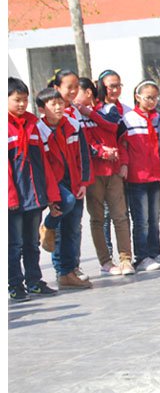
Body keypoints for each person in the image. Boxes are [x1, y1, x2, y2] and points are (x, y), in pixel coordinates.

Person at [9, 78, 62, 301]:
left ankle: (34, 281)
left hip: (34, 196)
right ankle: (14, 284)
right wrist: (10, 198)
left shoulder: (32, 124)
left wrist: (50, 196)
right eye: (16, 100)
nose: (22, 104)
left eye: (25, 100)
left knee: (31, 242)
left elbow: (43, 163)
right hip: (13, 199)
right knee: (14, 244)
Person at [36, 88, 93, 289]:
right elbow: (41, 165)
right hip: (54, 183)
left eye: (61, 103)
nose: (59, 107)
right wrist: (50, 196)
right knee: (64, 208)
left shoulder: (73, 125)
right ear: (42, 109)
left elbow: (84, 156)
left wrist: (84, 182)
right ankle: (49, 227)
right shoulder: (38, 130)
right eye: (53, 104)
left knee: (72, 228)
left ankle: (68, 273)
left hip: (75, 181)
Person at [118, 80, 160, 272]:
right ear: (138, 97)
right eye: (148, 98)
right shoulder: (127, 119)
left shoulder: (158, 118)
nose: (152, 102)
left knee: (154, 217)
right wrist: (124, 164)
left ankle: (154, 251)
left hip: (154, 175)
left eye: (155, 98)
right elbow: (122, 145)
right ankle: (141, 257)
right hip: (137, 176)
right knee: (140, 219)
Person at [83, 70, 134, 276]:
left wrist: (123, 162)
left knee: (120, 216)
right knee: (97, 218)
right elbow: (83, 144)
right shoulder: (75, 115)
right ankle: (105, 260)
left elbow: (115, 129)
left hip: (112, 171)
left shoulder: (108, 109)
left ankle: (125, 259)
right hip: (93, 173)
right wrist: (101, 151)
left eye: (86, 91)